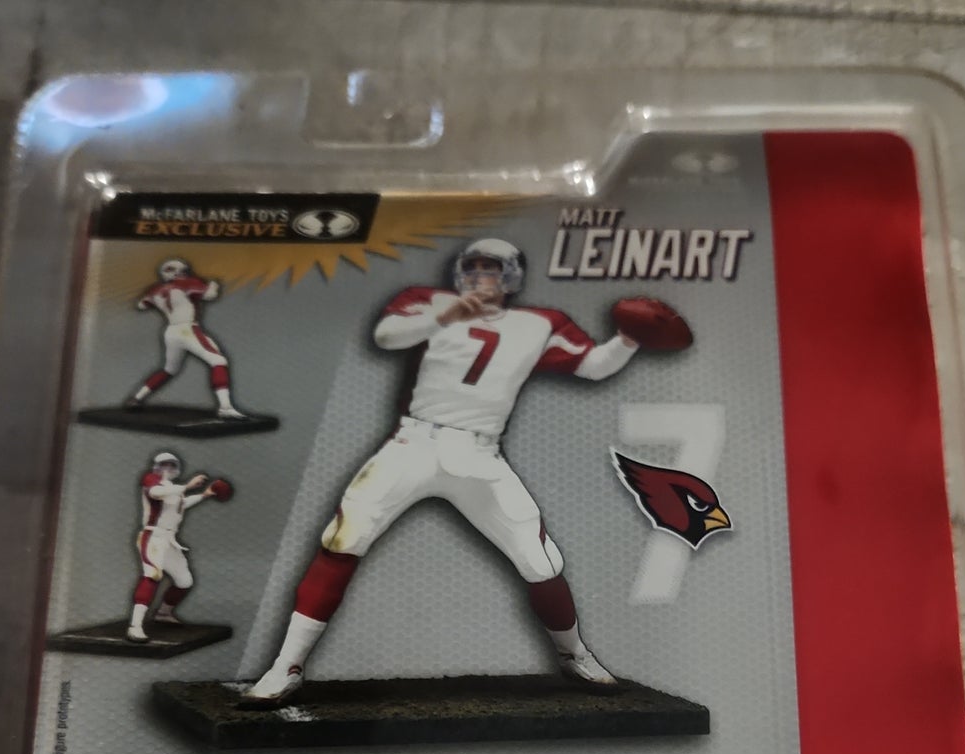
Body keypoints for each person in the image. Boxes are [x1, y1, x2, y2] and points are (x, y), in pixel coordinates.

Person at [241, 238, 646, 708]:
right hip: (413, 443)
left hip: (480, 454)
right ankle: (286, 665)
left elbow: (593, 366)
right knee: (343, 539)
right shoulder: (426, 301)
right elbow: (387, 336)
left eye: (490, 268)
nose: (479, 276)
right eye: (472, 267)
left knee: (541, 562)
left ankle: (574, 653)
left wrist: (630, 339)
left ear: (511, 276)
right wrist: (448, 314)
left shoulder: (540, 322)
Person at [125, 258, 246, 419]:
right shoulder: (187, 282)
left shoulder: (155, 290)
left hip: (170, 332)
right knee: (218, 361)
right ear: (181, 271)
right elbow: (209, 296)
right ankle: (225, 407)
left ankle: (136, 398)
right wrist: (213, 285)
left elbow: (141, 305)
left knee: (169, 370)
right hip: (187, 329)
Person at [127, 451, 221, 642]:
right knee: (152, 575)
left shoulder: (173, 488)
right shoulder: (151, 479)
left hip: (170, 539)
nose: (168, 468)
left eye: (171, 465)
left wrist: (204, 495)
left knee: (184, 581)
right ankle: (135, 626)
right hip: (153, 536)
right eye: (164, 464)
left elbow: (182, 504)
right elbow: (155, 493)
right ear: (157, 466)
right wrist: (187, 486)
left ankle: (163, 613)